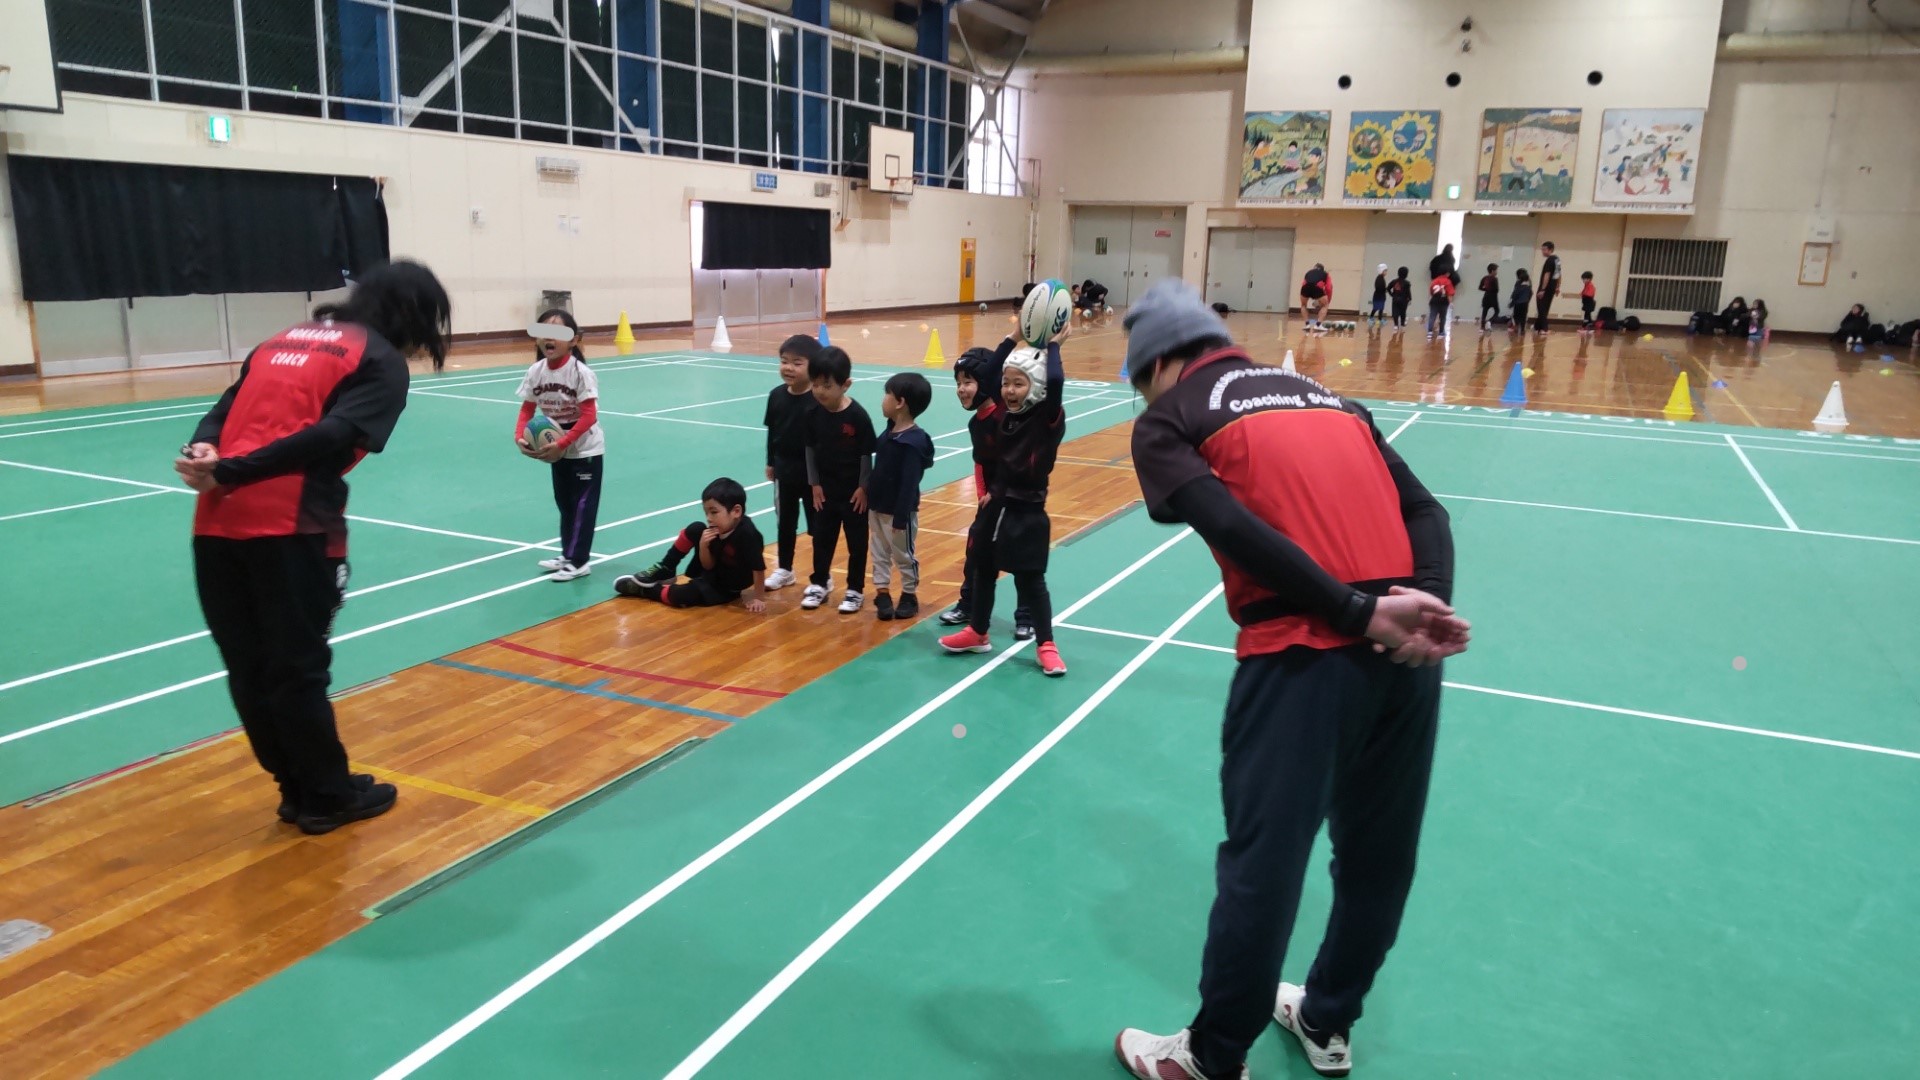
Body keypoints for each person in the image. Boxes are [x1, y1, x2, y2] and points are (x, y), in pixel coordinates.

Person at [1110, 280, 1468, 1080]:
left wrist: (1352, 611)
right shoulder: (1333, 400)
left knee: (1263, 867)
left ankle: (1211, 1058)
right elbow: (1429, 514)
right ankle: (1327, 1018)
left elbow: (1229, 523)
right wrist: (1424, 604)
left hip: (1300, 656)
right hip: (1406, 657)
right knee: (1378, 859)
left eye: (1141, 381)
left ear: (1160, 363)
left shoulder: (1172, 416)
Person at [176, 260, 450, 835]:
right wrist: (232, 469)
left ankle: (297, 788)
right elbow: (330, 436)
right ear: (416, 315)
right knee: (297, 669)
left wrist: (205, 451)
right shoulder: (378, 359)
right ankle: (326, 796)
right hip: (292, 528)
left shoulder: (281, 340)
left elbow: (222, 409)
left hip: (216, 525)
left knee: (250, 667)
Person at [938, 336, 1068, 677]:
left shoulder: (1046, 419)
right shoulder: (1005, 414)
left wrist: (1054, 346)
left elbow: (1055, 381)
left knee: (1030, 581)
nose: (1009, 390)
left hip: (1027, 512)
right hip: (995, 507)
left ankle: (1046, 645)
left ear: (1036, 386)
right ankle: (978, 632)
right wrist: (1012, 338)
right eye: (1006, 384)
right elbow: (991, 374)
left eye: (1018, 384)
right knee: (982, 570)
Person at [939, 348, 1034, 638]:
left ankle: (1026, 617)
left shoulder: (1008, 418)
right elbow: (980, 462)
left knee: (1021, 561)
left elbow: (1018, 464)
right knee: (975, 555)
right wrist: (983, 495)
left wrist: (1000, 493)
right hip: (990, 502)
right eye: (958, 383)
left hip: (1017, 502)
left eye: (968, 381)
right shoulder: (975, 423)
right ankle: (968, 605)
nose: (961, 389)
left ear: (986, 381)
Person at [515, 309, 602, 582]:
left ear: (573, 340)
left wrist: (563, 443)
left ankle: (579, 561)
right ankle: (568, 554)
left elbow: (589, 415)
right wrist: (520, 438)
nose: (548, 338)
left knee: (582, 506)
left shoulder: (580, 373)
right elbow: (527, 409)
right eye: (543, 332)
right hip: (556, 447)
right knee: (565, 503)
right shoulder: (536, 371)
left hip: (584, 449)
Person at [613, 478, 767, 612]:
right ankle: (666, 568)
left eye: (714, 512)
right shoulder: (718, 528)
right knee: (696, 528)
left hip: (726, 587)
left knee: (680, 595)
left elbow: (758, 569)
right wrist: (703, 546)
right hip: (714, 572)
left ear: (736, 511)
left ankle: (646, 590)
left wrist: (759, 598)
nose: (709, 518)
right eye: (706, 512)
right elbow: (708, 566)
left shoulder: (748, 535)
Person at [803, 346, 877, 614]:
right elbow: (810, 450)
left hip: (853, 494)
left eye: (827, 385)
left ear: (845, 385)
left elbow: (866, 454)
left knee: (857, 543)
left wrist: (863, 487)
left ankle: (855, 589)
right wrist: (814, 485)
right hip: (825, 492)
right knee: (822, 539)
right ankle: (819, 583)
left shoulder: (857, 416)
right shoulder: (812, 413)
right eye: (815, 384)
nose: (820, 391)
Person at [868, 372, 935, 622]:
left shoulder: (913, 443)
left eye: (887, 394)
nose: (883, 399)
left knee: (903, 554)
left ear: (900, 402)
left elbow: (909, 484)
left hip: (899, 513)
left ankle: (909, 594)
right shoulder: (889, 433)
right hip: (877, 507)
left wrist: (900, 517)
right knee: (879, 552)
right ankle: (882, 593)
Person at [763, 334, 823, 590]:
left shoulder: (819, 399)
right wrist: (770, 462)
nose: (788, 368)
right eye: (784, 361)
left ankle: (822, 575)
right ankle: (785, 569)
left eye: (797, 363)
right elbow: (772, 432)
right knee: (785, 524)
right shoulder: (776, 395)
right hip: (784, 473)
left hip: (813, 477)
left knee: (818, 527)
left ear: (814, 366)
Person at [1534, 241, 1561, 334]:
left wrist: (1542, 289)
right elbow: (1558, 274)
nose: (1543, 251)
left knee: (1541, 307)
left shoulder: (1549, 260)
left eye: (1544, 249)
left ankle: (1544, 329)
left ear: (1551, 250)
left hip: (1546, 288)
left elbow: (1547, 275)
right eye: (1542, 249)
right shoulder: (1557, 259)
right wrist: (1557, 286)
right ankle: (1537, 327)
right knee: (1545, 307)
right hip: (1552, 287)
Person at [1425, 272, 1454, 339]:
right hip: (1443, 301)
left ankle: (1429, 332)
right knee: (1443, 317)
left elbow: (1431, 292)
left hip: (1434, 300)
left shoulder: (1434, 281)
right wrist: (1451, 303)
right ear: (1447, 273)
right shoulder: (1448, 281)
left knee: (1432, 316)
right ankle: (1441, 333)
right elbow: (1450, 293)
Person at [1386, 267, 1412, 332]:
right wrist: (1410, 299)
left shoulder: (1394, 281)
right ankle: (1402, 325)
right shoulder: (1407, 283)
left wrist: (1392, 295)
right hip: (1404, 300)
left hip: (1395, 299)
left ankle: (1396, 325)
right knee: (1403, 312)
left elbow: (1388, 288)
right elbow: (1408, 292)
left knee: (1395, 312)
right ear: (1406, 274)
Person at [1477, 263, 1501, 332]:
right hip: (1493, 298)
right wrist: (1491, 290)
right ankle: (1489, 321)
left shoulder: (1484, 278)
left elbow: (1480, 287)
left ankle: (1482, 328)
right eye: (1496, 270)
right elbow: (1496, 290)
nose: (1497, 272)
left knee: (1484, 312)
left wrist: (1487, 289)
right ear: (1492, 271)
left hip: (1486, 297)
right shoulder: (1495, 279)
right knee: (1497, 311)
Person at [1510, 268, 1534, 335]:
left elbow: (1515, 293)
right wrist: (1528, 300)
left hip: (1518, 303)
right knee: (1523, 316)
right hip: (1525, 303)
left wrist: (1512, 301)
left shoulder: (1518, 283)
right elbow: (1531, 293)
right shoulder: (1529, 283)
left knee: (1516, 316)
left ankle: (1516, 328)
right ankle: (1522, 329)